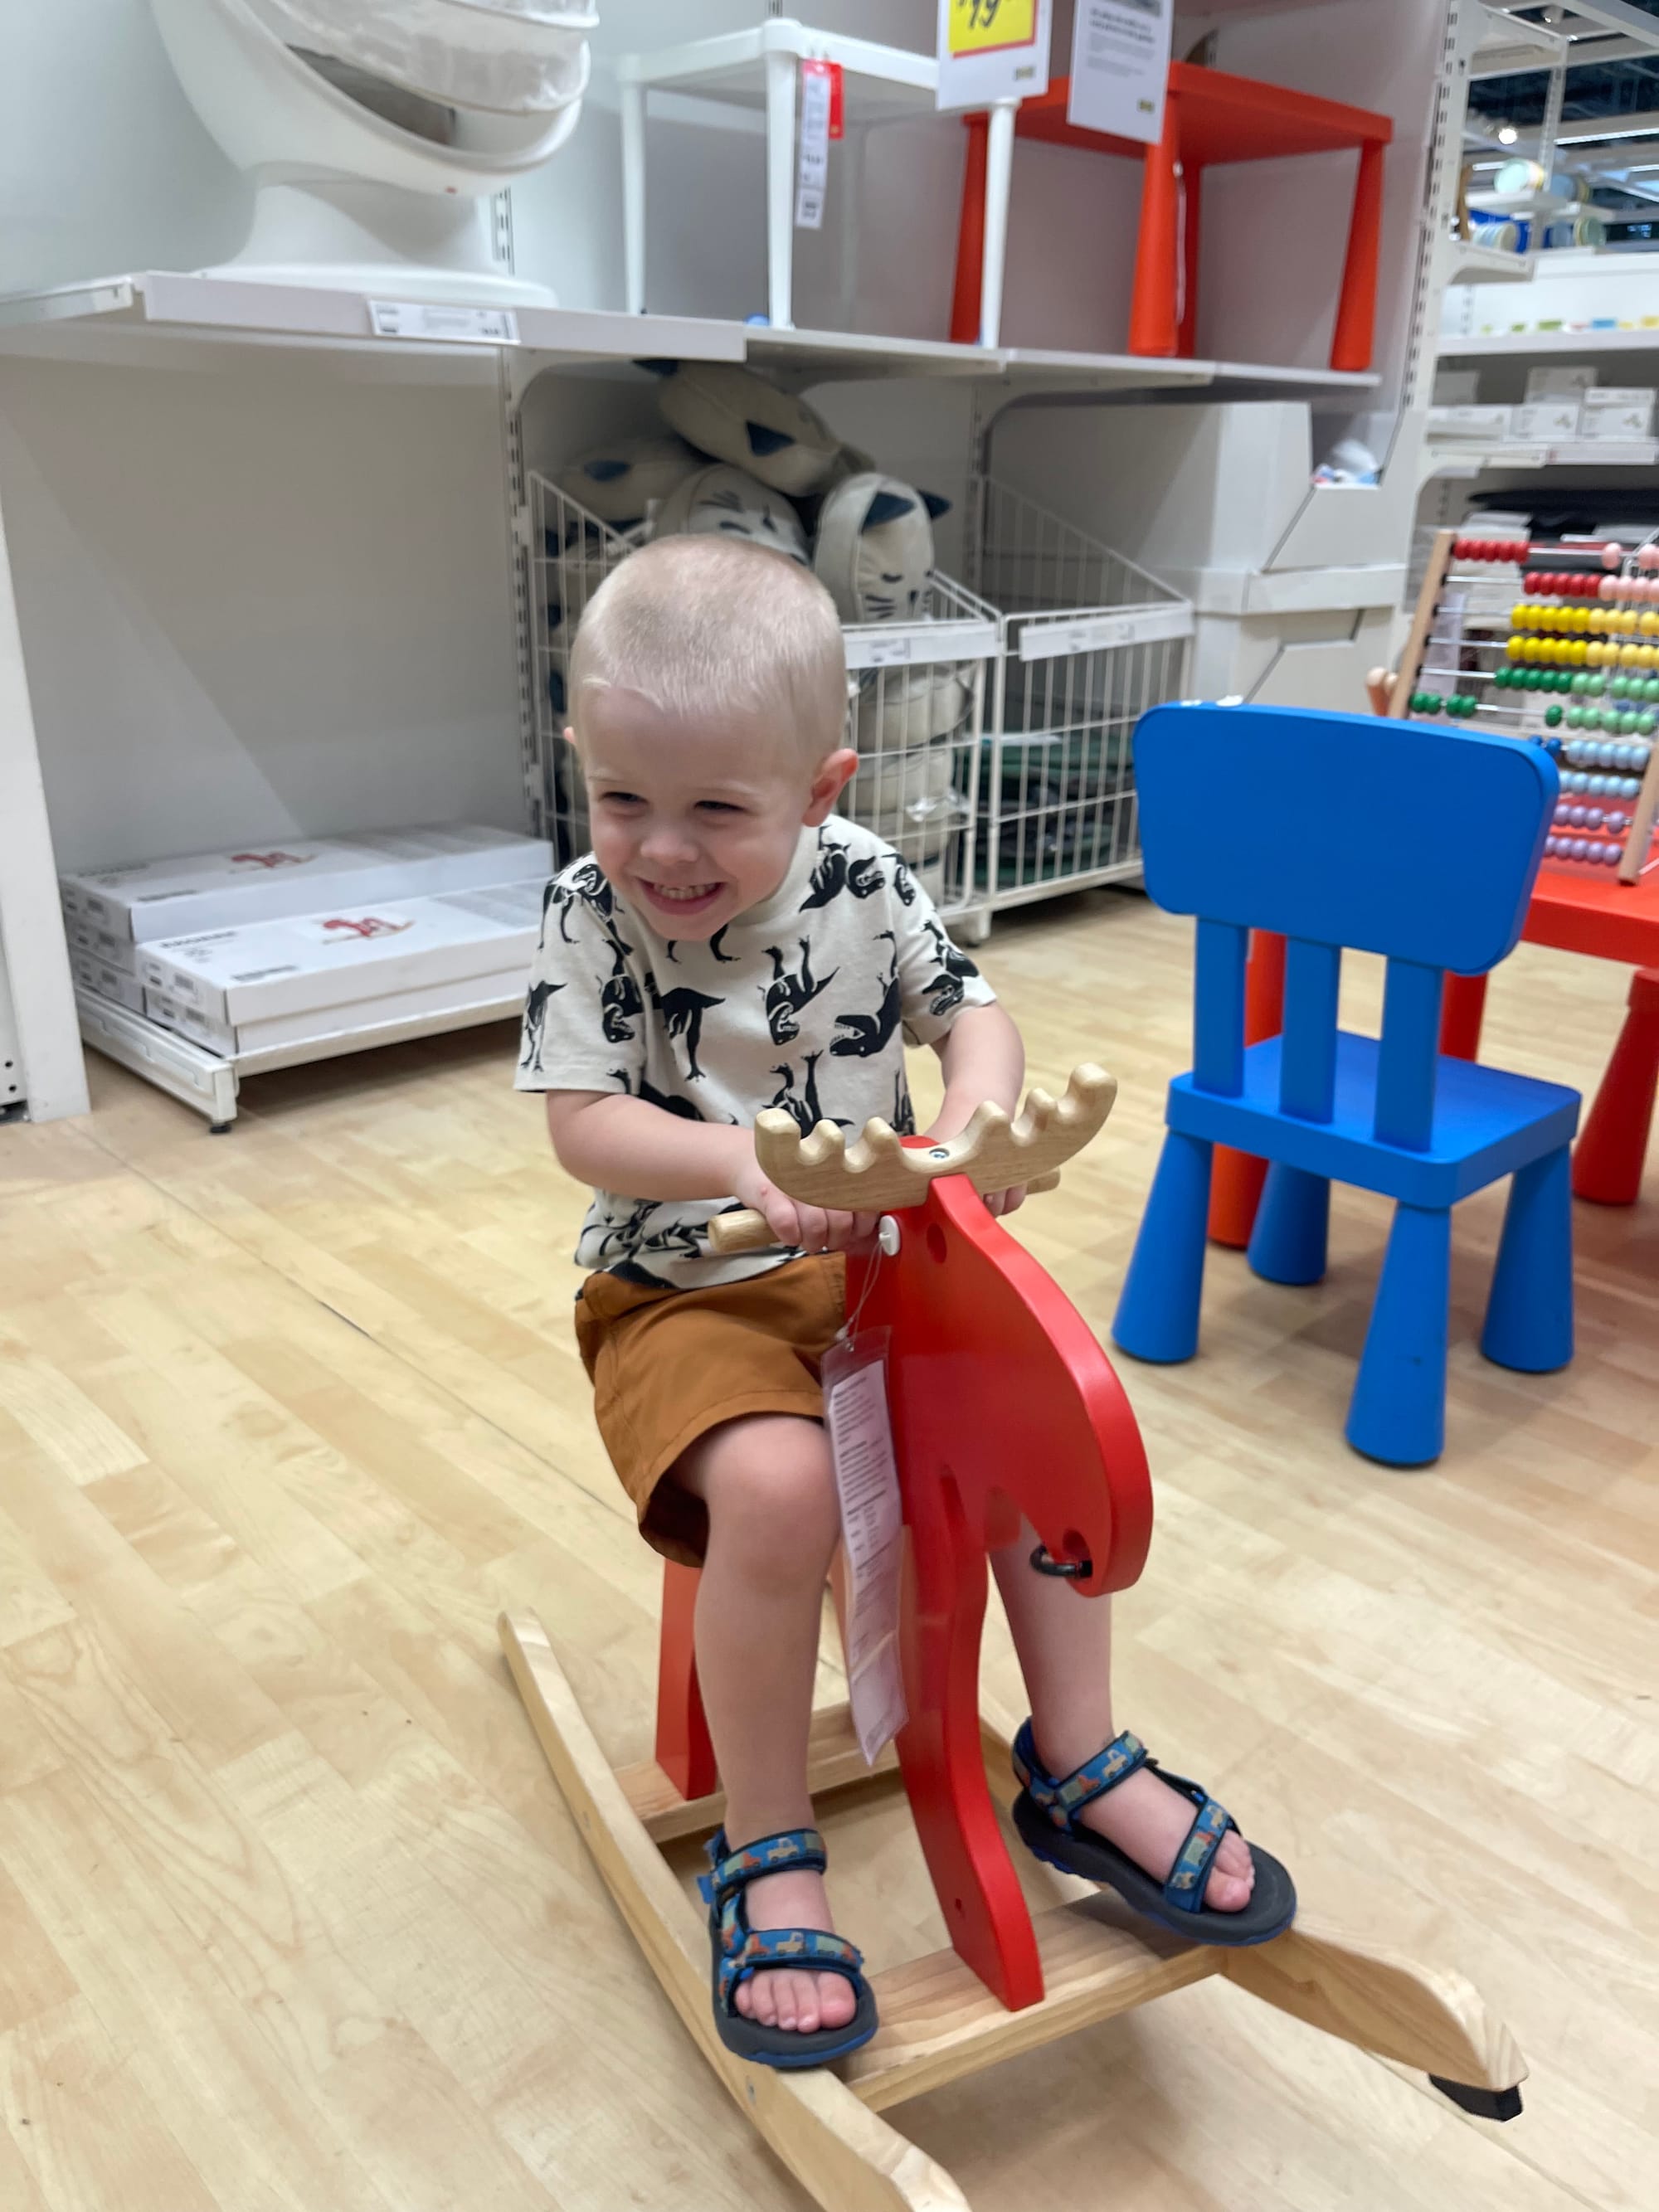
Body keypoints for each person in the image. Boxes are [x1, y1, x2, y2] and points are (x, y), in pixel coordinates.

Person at [517, 534, 1294, 2069]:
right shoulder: (587, 912)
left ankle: (1076, 1758)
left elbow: (974, 1020)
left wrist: (975, 1131)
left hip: (885, 1269)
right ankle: (766, 1839)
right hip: (683, 1292)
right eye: (620, 798)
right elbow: (583, 1125)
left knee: (1032, 1428)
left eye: (716, 809)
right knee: (783, 1489)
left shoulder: (867, 880)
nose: (661, 849)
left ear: (821, 788)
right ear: (579, 763)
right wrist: (742, 1163)